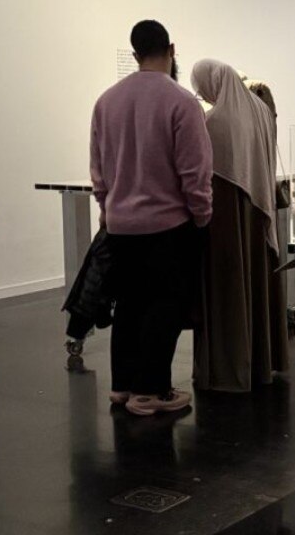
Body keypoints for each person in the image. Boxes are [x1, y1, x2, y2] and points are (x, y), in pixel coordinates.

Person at [90, 20, 213, 416]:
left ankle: (123, 387)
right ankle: (151, 391)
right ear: (172, 49)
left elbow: (98, 168)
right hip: (167, 224)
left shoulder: (106, 101)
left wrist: (106, 209)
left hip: (121, 223)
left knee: (128, 303)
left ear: (134, 53)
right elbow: (195, 171)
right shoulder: (181, 102)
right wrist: (202, 216)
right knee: (166, 305)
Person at [190, 60, 287, 393]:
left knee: (228, 288)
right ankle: (261, 363)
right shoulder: (259, 111)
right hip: (258, 212)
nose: (201, 94)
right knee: (256, 283)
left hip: (226, 213)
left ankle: (228, 369)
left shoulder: (212, 121)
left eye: (201, 87)